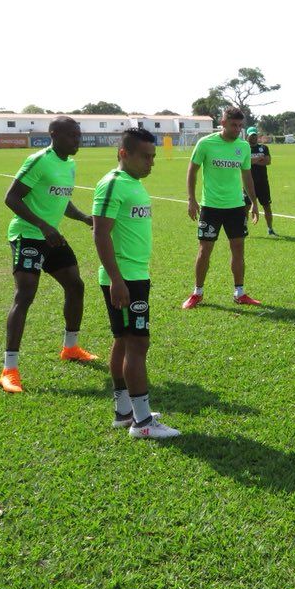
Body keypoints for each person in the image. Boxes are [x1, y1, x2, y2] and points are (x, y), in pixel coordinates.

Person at [0, 116, 97, 393]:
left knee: (75, 286)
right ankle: (9, 369)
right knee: (26, 293)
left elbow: (61, 199)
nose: (77, 140)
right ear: (54, 134)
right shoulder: (39, 160)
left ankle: (71, 347)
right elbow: (11, 197)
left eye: (78, 136)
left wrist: (82, 217)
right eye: (71, 136)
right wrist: (43, 226)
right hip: (28, 234)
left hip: (50, 236)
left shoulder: (70, 164)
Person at [93, 128, 179, 438]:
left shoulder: (133, 184)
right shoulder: (114, 184)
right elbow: (100, 233)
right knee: (137, 344)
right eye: (145, 157)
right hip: (125, 278)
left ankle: (124, 412)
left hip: (134, 275)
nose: (151, 163)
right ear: (123, 153)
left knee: (124, 340)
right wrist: (116, 280)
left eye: (153, 157)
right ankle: (143, 423)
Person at [182, 108, 261, 309]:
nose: (238, 129)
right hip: (211, 207)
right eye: (234, 125)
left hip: (235, 208)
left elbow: (247, 176)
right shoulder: (206, 143)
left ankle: (240, 292)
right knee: (204, 251)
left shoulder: (243, 147)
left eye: (240, 126)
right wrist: (191, 199)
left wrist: (253, 202)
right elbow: (192, 171)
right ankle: (197, 293)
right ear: (223, 123)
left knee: (238, 250)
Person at [243, 126, 276, 236]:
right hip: (248, 183)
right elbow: (246, 163)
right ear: (248, 136)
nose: (253, 137)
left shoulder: (264, 148)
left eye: (255, 135)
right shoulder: (244, 148)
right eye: (251, 135)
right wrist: (259, 159)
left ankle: (270, 229)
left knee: (267, 206)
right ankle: (244, 228)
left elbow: (268, 161)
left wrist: (253, 160)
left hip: (263, 183)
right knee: (246, 207)